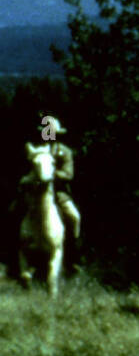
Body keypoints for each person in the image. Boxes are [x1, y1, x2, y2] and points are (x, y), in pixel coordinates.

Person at [12, 115, 81, 271]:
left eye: (52, 132)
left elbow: (68, 174)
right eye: (46, 132)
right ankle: (11, 255)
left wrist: (51, 173)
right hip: (33, 191)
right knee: (14, 211)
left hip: (58, 193)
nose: (49, 135)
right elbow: (23, 171)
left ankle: (73, 257)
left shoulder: (65, 152)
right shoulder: (35, 151)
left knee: (74, 217)